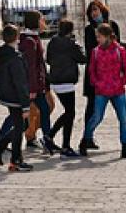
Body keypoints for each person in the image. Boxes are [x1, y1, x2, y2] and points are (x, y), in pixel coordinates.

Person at [83, 0, 126, 150]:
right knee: (93, 110)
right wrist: (95, 80)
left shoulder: (113, 25)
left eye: (96, 10)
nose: (94, 13)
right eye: (92, 11)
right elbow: (90, 52)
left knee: (122, 113)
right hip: (98, 78)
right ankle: (87, 139)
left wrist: (123, 79)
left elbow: (119, 48)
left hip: (114, 80)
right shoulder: (89, 30)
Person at [80, 23, 126, 159]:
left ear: (107, 36)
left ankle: (125, 148)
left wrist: (123, 81)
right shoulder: (96, 51)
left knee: (123, 119)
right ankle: (85, 140)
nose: (97, 39)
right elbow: (91, 70)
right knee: (97, 117)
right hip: (101, 91)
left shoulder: (120, 50)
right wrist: (96, 83)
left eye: (99, 36)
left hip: (118, 90)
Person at [0, 24, 33, 172]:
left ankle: (0, 146)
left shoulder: (3, 54)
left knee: (22, 125)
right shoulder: (15, 58)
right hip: (15, 97)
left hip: (6, 94)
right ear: (16, 38)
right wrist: (26, 105)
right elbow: (20, 83)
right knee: (20, 127)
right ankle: (15, 160)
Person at [20, 10, 60, 155]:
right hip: (33, 86)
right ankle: (1, 141)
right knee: (31, 113)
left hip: (39, 84)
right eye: (42, 20)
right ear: (36, 22)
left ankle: (46, 139)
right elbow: (31, 67)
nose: (45, 22)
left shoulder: (34, 38)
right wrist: (33, 88)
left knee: (45, 109)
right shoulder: (29, 41)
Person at [46, 19, 87, 158]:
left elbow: (48, 59)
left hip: (55, 81)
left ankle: (50, 136)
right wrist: (77, 45)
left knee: (68, 112)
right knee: (70, 113)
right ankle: (64, 145)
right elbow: (82, 59)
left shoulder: (53, 41)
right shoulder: (71, 44)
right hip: (67, 82)